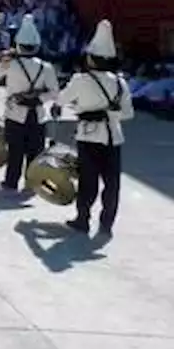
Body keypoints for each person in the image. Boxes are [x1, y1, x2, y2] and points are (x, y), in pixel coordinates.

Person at [61, 19, 132, 237]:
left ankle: (83, 219)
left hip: (89, 136)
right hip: (114, 138)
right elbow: (128, 113)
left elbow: (63, 99)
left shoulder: (80, 79)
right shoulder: (121, 83)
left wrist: (91, 111)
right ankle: (107, 224)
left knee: (88, 181)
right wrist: (108, 113)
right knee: (112, 184)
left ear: (91, 58)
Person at [0, 15, 59, 192]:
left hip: (15, 113)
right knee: (35, 151)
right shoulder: (46, 67)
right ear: (37, 46)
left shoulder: (10, 64)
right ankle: (31, 183)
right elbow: (54, 92)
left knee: (15, 150)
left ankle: (11, 181)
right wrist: (37, 98)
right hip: (38, 114)